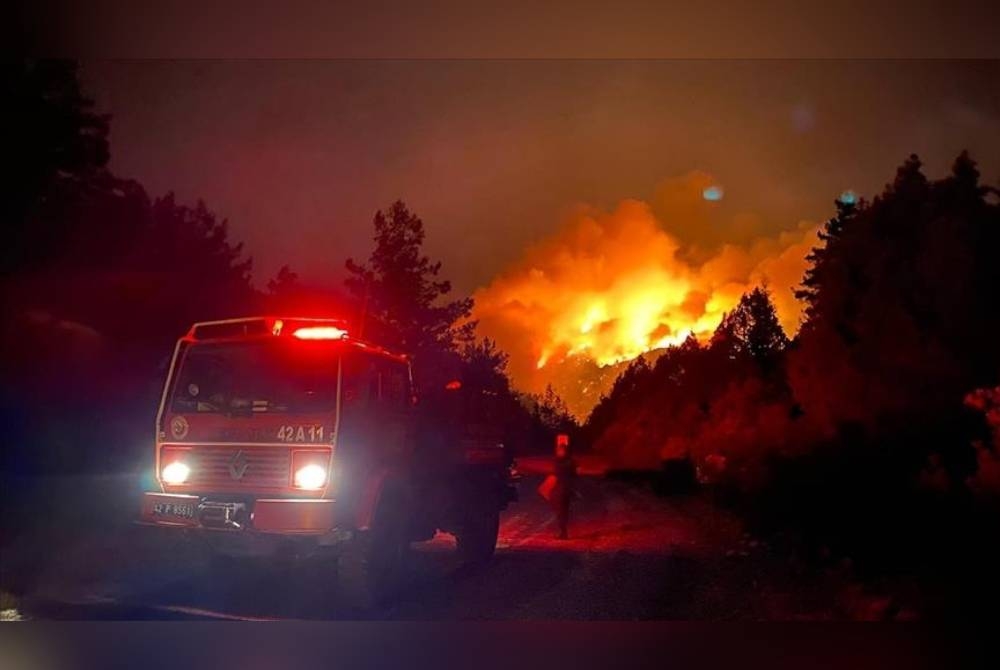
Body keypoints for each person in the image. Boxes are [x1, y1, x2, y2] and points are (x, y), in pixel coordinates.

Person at [552, 436, 577, 539]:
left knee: (561, 511)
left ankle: (563, 532)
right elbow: (575, 474)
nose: (558, 452)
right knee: (563, 511)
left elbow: (558, 472)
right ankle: (563, 531)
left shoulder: (562, 462)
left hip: (562, 488)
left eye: (560, 450)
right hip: (566, 488)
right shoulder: (570, 461)